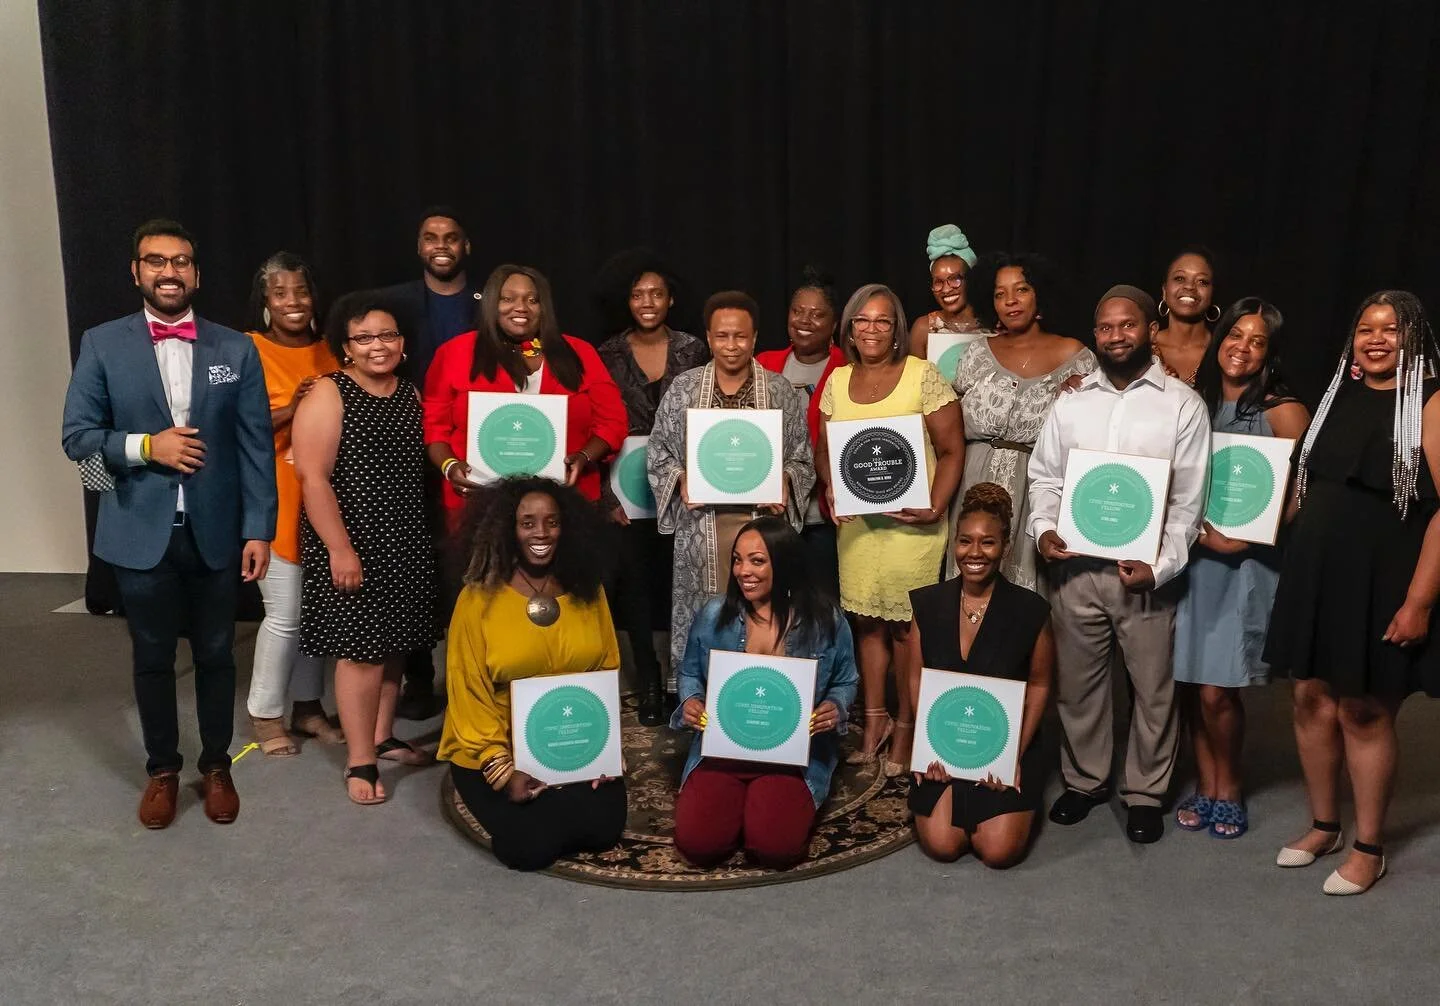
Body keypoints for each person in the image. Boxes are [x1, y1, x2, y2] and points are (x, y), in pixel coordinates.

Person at [61, 219, 276, 828]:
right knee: (152, 656)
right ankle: (162, 769)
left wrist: (258, 528)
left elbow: (256, 447)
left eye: (180, 261)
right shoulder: (103, 343)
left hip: (217, 532)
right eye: (156, 261)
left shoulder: (235, 349)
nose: (169, 271)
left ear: (196, 274)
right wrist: (145, 447)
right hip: (138, 530)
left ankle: (216, 765)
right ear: (137, 272)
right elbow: (77, 436)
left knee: (217, 653)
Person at [1265, 290, 1440, 895]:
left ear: (1413, 338)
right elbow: (1308, 484)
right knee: (1310, 698)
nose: (1376, 339)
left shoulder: (1430, 402)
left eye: (1391, 329)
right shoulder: (1340, 391)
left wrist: (1419, 602)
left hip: (1384, 583)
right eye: (1366, 328)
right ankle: (1324, 826)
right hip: (1318, 573)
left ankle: (1370, 847)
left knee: (1363, 710)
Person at [1029, 285, 1210, 844]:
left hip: (1144, 573)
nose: (1115, 336)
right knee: (1078, 686)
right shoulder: (1071, 401)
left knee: (1153, 690)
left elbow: (1188, 502)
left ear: (1150, 330)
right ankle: (1085, 781)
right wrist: (1045, 529)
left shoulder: (1182, 404)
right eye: (1105, 327)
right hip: (1076, 569)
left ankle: (1145, 793)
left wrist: (1162, 566)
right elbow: (1045, 477)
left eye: (1127, 325)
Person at [293, 296, 439, 806]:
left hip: (404, 537)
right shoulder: (329, 393)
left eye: (388, 335)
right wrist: (340, 549)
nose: (378, 346)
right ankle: (360, 759)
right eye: (365, 337)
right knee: (362, 652)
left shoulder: (409, 392)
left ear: (403, 342)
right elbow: (313, 479)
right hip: (352, 539)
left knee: (396, 644)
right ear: (346, 347)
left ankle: (382, 736)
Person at [438, 477, 627, 871]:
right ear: (507, 529)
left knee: (603, 830)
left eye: (552, 522)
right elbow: (467, 693)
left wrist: (602, 750)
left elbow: (606, 668)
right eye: (527, 523)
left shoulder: (588, 590)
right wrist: (503, 771)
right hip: (495, 747)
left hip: (569, 742)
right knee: (530, 848)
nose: (541, 533)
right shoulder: (478, 598)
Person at [814, 284, 965, 775]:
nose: (871, 329)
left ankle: (906, 725)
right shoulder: (837, 380)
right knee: (866, 623)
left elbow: (952, 449)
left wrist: (935, 506)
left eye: (882, 320)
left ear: (896, 328)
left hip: (912, 528)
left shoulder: (922, 375)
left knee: (905, 629)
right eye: (862, 320)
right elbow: (824, 449)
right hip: (859, 529)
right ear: (850, 329)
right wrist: (830, 486)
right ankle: (874, 719)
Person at [1173, 298, 1310, 839]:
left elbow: (1303, 492)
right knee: (1191, 681)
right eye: (1236, 335)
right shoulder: (1194, 402)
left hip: (1243, 564)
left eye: (1257, 341)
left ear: (1270, 354)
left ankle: (1228, 786)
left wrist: (1246, 538)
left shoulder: (1282, 408)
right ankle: (1205, 782)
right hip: (1189, 559)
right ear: (1219, 338)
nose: (1242, 348)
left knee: (1218, 687)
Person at [671, 517, 858, 868]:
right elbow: (690, 673)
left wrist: (836, 705)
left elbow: (846, 681)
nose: (743, 571)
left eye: (757, 561)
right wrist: (691, 701)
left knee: (775, 849)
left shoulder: (826, 619)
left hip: (792, 755)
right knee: (699, 845)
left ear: (783, 563)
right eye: (738, 560)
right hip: (724, 748)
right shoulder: (714, 614)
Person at [648, 291, 815, 676]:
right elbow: (658, 451)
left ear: (754, 338)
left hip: (763, 524)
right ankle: (701, 695)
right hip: (702, 529)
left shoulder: (778, 390)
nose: (731, 345)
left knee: (765, 614)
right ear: (708, 338)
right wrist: (681, 478)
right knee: (707, 617)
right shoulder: (685, 389)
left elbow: (801, 455)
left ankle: (764, 691)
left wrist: (786, 479)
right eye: (722, 336)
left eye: (740, 336)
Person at [909, 484, 1053, 868]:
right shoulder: (928, 604)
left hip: (1004, 744)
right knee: (942, 845)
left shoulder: (1031, 610)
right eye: (965, 541)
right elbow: (916, 679)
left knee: (998, 852)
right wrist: (927, 746)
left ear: (1005, 548)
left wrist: (1013, 755)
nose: (974, 553)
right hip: (944, 744)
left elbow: (1040, 685)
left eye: (987, 542)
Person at [376, 206, 482, 721]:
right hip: (402, 446)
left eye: (451, 237)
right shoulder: (394, 302)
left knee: (467, 563)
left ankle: (472, 676)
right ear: (419, 247)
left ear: (466, 247)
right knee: (412, 564)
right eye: (431, 237)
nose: (441, 245)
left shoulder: (490, 301)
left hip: (475, 451)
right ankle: (418, 677)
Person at [595, 251, 708, 725]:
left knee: (687, 579)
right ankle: (648, 677)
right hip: (627, 489)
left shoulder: (694, 349)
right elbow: (596, 423)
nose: (647, 302)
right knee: (636, 583)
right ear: (627, 300)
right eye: (638, 294)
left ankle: (691, 678)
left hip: (687, 482)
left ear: (670, 299)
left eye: (656, 294)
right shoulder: (606, 354)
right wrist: (605, 496)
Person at [424, 264, 627, 521]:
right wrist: (449, 466)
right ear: (491, 303)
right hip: (478, 503)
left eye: (532, 300)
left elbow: (612, 421)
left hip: (567, 502)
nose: (521, 307)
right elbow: (434, 425)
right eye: (507, 299)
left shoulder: (580, 352)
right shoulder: (454, 352)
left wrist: (584, 457)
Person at [242, 252, 345, 756]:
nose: (292, 302)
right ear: (265, 300)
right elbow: (236, 428)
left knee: (317, 611)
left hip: (326, 496)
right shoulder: (247, 349)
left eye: (301, 291)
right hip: (274, 497)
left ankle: (308, 708)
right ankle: (265, 714)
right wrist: (294, 406)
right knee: (284, 614)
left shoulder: (332, 351)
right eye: (280, 292)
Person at [951, 253, 1095, 590]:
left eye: (1021, 289)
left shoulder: (1074, 355)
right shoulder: (975, 353)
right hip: (971, 481)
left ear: (1040, 293)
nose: (1010, 301)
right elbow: (949, 424)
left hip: (1035, 490)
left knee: (1022, 592)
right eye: (999, 293)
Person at [756, 266, 847, 597]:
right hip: (772, 511)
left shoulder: (848, 368)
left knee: (822, 603)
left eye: (817, 314)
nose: (804, 321)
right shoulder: (763, 364)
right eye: (797, 311)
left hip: (823, 515)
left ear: (834, 324)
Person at [907, 224, 984, 360]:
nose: (946, 289)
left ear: (970, 279)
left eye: (954, 279)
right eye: (938, 282)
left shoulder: (995, 324)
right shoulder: (923, 329)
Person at [1152, 246, 1219, 386]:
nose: (1189, 286)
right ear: (1164, 291)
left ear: (1212, 293)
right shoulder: (1142, 347)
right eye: (1180, 278)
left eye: (1202, 281)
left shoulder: (1223, 352)